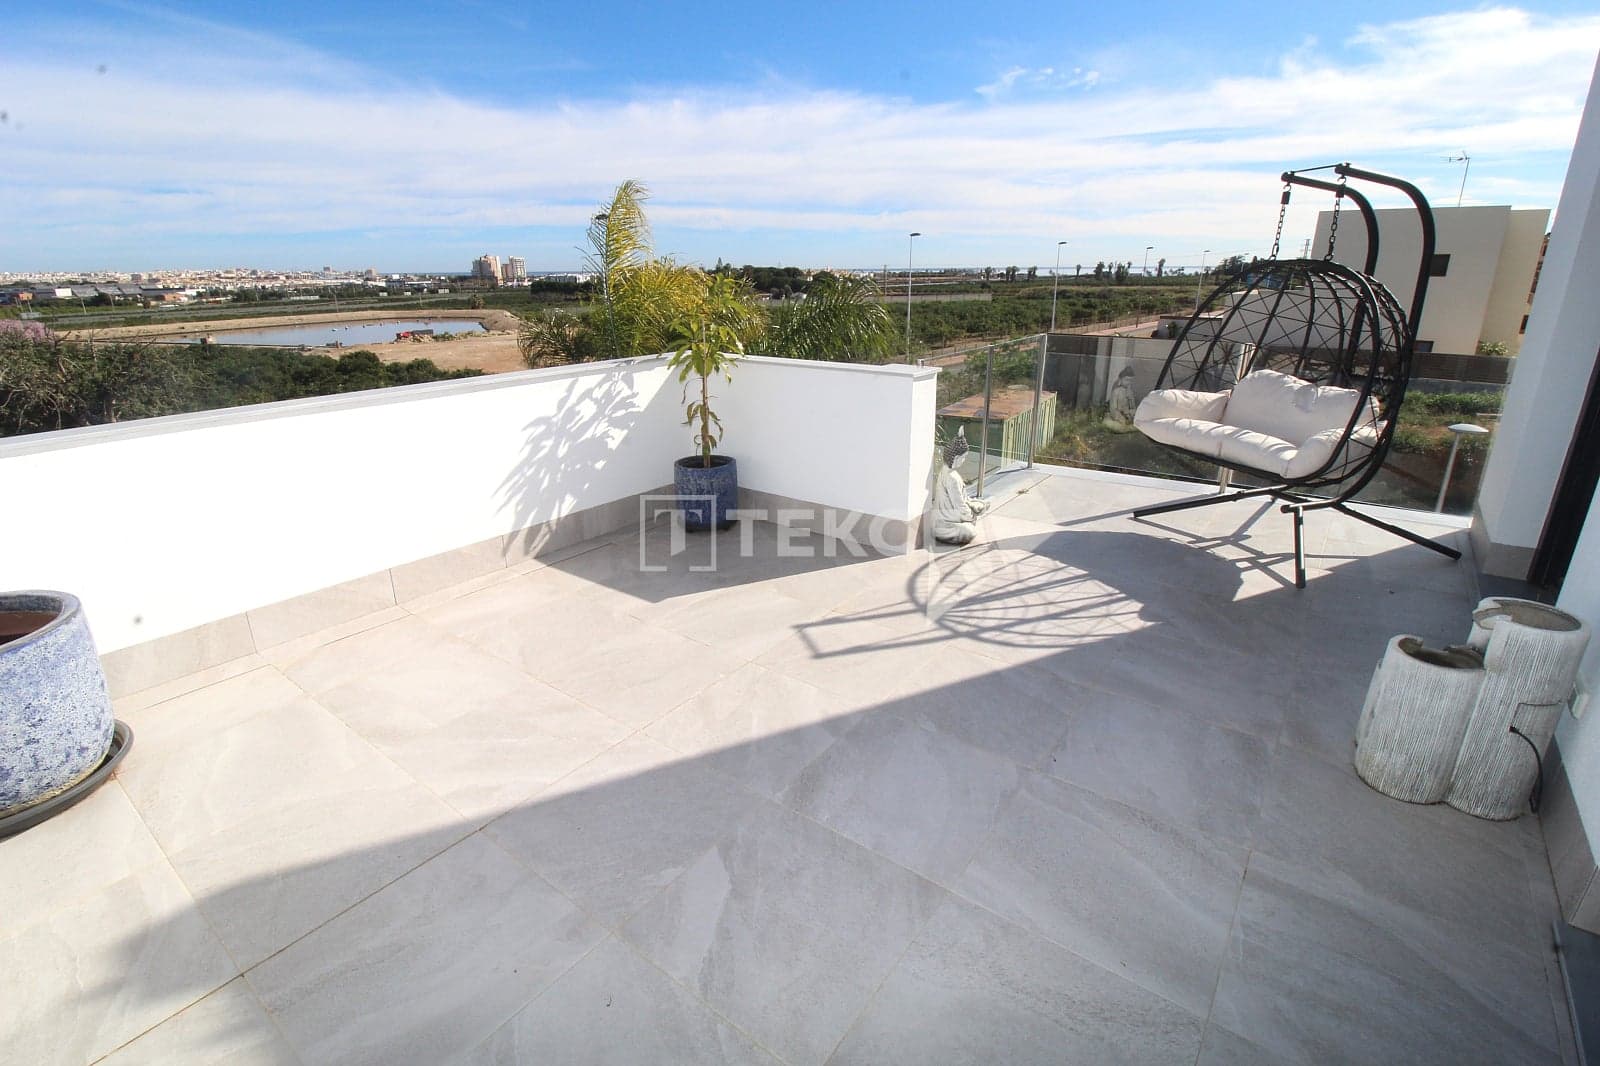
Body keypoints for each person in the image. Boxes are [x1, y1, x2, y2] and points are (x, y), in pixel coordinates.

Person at [932, 427, 989, 544]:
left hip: (946, 517)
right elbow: (959, 505)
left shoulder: (945, 470)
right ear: (956, 458)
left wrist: (972, 503)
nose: (964, 461)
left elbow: (963, 499)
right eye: (963, 458)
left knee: (980, 504)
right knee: (969, 531)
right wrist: (972, 515)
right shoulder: (952, 478)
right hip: (945, 523)